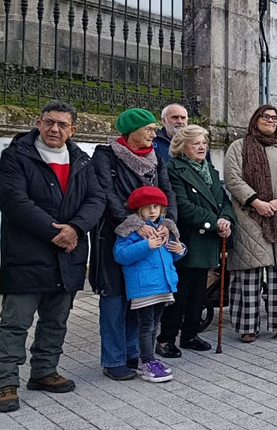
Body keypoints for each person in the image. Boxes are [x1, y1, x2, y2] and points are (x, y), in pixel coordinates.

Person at [0, 101, 106, 413]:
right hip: (28, 253)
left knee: (56, 320)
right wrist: (57, 232)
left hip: (69, 254)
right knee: (15, 322)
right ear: (38, 123)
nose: (55, 129)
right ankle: (5, 382)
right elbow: (15, 200)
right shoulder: (17, 155)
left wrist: (77, 229)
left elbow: (97, 198)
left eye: (62, 125)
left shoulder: (82, 160)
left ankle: (43, 371)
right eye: (49, 122)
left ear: (73, 130)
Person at [90, 108, 177, 380]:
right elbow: (105, 192)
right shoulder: (105, 155)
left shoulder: (156, 159)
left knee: (139, 297)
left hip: (151, 233)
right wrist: (134, 224)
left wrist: (167, 222)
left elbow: (167, 192)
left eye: (154, 128)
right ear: (130, 132)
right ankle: (113, 359)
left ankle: (133, 353)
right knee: (115, 298)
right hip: (116, 233)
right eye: (149, 129)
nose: (154, 133)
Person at [223, 105, 277, 342]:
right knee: (247, 273)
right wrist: (256, 201)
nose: (270, 120)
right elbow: (232, 178)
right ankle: (247, 326)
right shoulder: (238, 146)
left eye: (274, 117)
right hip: (250, 214)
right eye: (265, 116)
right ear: (255, 119)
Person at [164, 124, 235, 353]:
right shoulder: (174, 169)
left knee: (198, 293)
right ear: (182, 147)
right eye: (196, 143)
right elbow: (182, 206)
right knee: (179, 294)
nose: (202, 147)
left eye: (204, 143)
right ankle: (166, 339)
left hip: (207, 241)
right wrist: (215, 223)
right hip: (188, 240)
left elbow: (224, 201)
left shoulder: (210, 170)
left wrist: (226, 219)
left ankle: (190, 335)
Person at [113, 186, 186, 383]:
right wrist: (146, 245)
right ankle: (147, 361)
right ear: (138, 210)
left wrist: (180, 249)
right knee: (145, 325)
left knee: (154, 324)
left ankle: (146, 359)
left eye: (156, 206)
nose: (153, 211)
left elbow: (172, 254)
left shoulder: (165, 228)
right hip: (144, 287)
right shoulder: (131, 230)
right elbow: (121, 255)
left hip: (163, 285)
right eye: (147, 207)